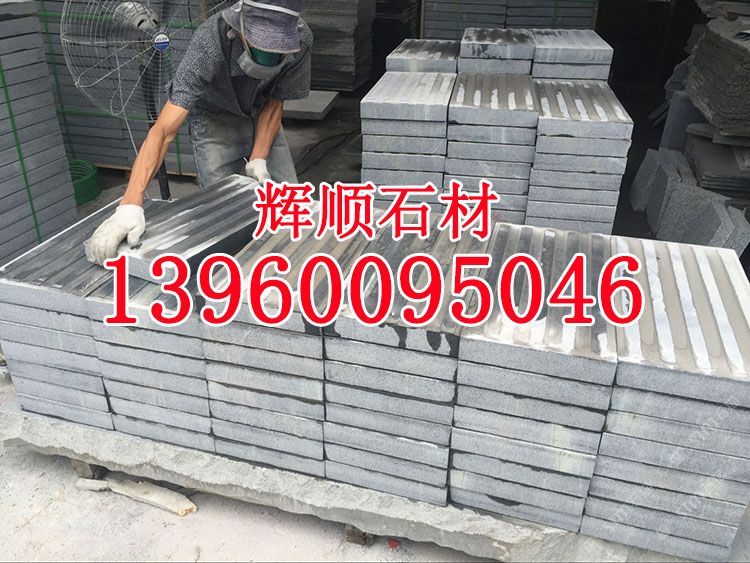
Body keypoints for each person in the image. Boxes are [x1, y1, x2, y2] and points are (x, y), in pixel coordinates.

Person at [86, 0, 311, 264]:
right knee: (223, 214)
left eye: (276, 48)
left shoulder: (301, 39)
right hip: (213, 114)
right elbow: (164, 131)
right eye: (261, 43)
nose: (270, 53)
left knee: (289, 203)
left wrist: (259, 157)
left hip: (261, 109)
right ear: (239, 27)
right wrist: (130, 203)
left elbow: (275, 102)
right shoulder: (210, 42)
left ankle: (287, 268)